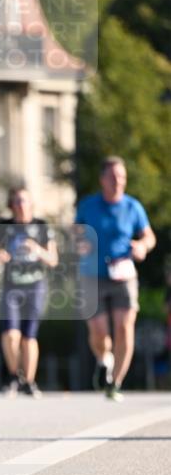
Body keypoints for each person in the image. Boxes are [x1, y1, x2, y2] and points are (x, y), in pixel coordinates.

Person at [75, 156, 156, 401]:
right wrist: (80, 243)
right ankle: (103, 360)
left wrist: (142, 246)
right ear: (102, 180)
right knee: (99, 334)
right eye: (112, 176)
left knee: (124, 328)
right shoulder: (88, 206)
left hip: (123, 275)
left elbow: (149, 237)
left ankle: (116, 382)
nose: (117, 181)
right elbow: (76, 233)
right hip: (92, 275)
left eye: (121, 176)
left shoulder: (133, 207)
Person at [0, 186, 58, 398]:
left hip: (35, 286)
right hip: (11, 286)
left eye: (24, 201)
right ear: (11, 205)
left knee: (29, 337)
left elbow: (53, 260)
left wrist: (38, 250)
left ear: (31, 204)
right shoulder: (4, 226)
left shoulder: (42, 227)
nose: (21, 205)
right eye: (17, 201)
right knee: (11, 335)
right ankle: (14, 376)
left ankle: (29, 381)